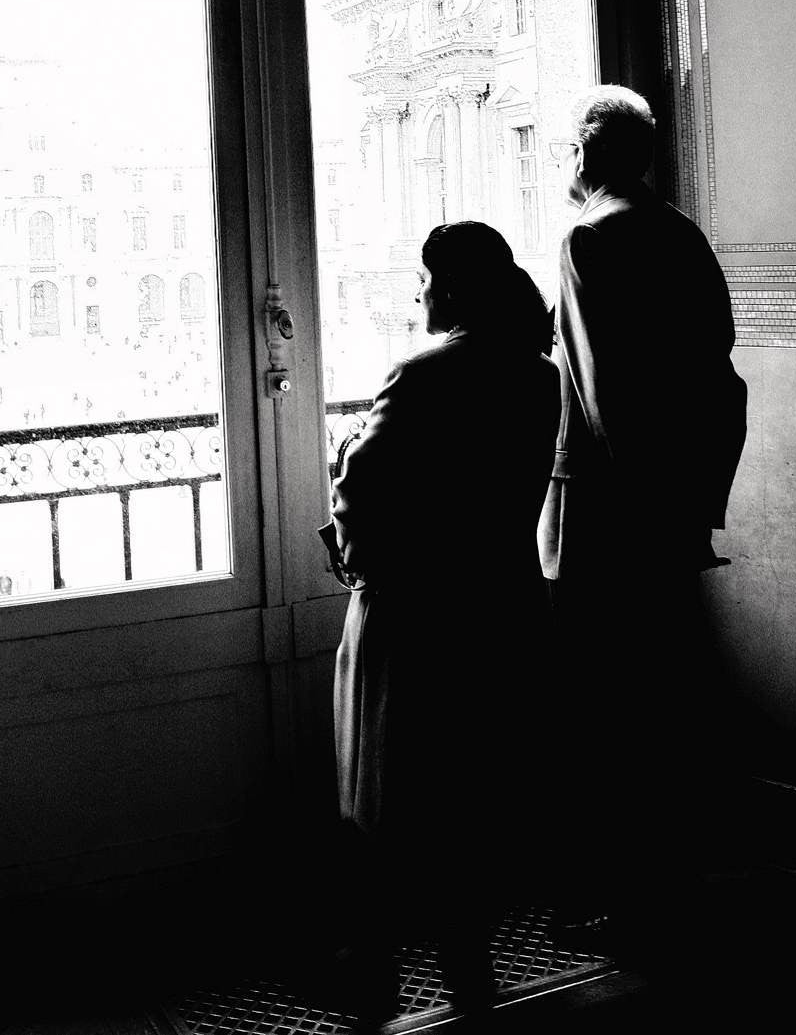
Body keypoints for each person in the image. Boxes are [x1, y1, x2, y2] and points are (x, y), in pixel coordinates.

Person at [320, 221, 560, 1021]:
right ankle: (469, 969)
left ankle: (372, 976)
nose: (416, 293)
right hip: (498, 606)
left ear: (450, 287)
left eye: (425, 280)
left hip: (415, 616)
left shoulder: (421, 374)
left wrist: (354, 552)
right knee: (473, 799)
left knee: (385, 801)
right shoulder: (538, 376)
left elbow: (360, 485)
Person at [538, 85, 747, 960]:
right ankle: (668, 884)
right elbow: (722, 380)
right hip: (670, 517)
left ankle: (617, 901)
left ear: (588, 151)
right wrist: (693, 506)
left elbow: (599, 393)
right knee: (662, 705)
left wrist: (626, 511)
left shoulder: (588, 238)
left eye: (568, 149)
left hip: (605, 518)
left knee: (598, 712)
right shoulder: (683, 234)